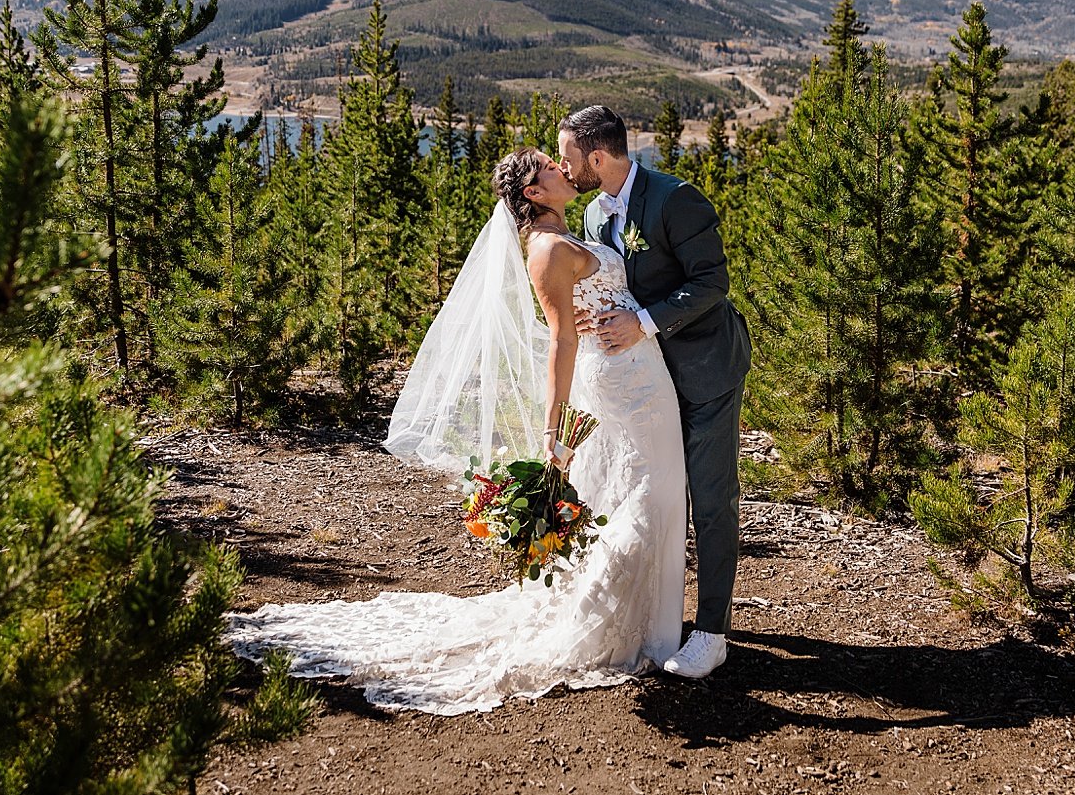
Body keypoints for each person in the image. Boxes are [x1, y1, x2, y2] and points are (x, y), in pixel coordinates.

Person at [225, 148, 688, 714]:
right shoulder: (546, 250)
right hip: (623, 383)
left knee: (638, 490)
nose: (561, 169)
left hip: (632, 369)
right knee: (654, 489)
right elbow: (561, 342)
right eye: (548, 166)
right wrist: (553, 430)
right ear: (535, 194)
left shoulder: (573, 232)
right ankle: (627, 626)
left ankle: (647, 623)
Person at [557, 104, 750, 680]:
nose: (564, 170)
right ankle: (662, 615)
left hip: (705, 368)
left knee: (712, 498)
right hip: (645, 384)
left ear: (597, 156)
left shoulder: (674, 199)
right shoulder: (592, 213)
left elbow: (712, 282)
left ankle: (712, 632)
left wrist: (641, 321)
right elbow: (607, 278)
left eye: (568, 158)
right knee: (659, 495)